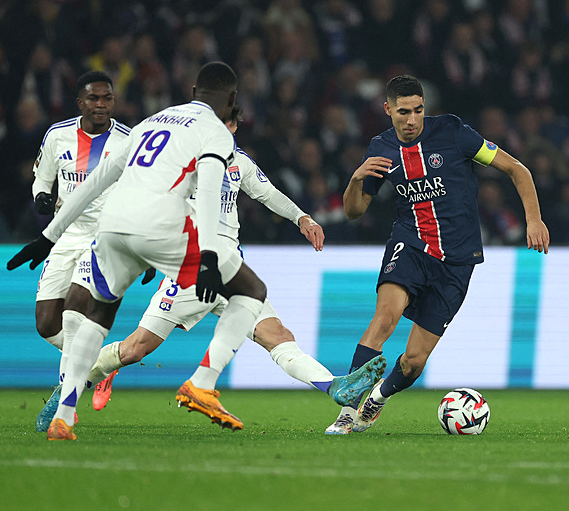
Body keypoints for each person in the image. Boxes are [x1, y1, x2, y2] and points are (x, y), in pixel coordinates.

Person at [9, 62, 258, 440]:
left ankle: (64, 416)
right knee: (251, 291)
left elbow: (97, 179)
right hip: (163, 227)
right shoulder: (216, 133)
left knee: (95, 315)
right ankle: (202, 383)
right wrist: (208, 254)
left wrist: (48, 235)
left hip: (111, 227)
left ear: (193, 92)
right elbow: (207, 190)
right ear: (232, 100)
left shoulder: (152, 121)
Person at [82, 106, 385, 413]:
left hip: (231, 272)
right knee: (135, 349)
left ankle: (335, 385)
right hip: (191, 269)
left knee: (278, 335)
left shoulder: (238, 162)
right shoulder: (179, 158)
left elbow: (268, 194)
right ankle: (80, 379)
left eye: (227, 125)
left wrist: (302, 218)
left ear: (234, 127)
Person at [326, 74, 550, 435]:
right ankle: (347, 413)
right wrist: (355, 179)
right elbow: (354, 211)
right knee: (385, 317)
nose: (412, 119)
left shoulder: (453, 133)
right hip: (410, 244)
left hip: (457, 260)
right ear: (388, 110)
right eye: (403, 112)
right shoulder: (380, 149)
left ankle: (376, 399)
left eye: (418, 110)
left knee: (414, 361)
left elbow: (516, 168)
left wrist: (534, 219)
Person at [27, 71, 137, 432]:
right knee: (47, 324)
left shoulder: (128, 140)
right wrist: (42, 197)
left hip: (104, 239)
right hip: (64, 235)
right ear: (81, 103)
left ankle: (63, 412)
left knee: (75, 315)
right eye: (94, 98)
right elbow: (42, 177)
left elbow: (141, 190)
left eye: (107, 98)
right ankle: (100, 363)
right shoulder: (58, 135)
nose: (101, 105)